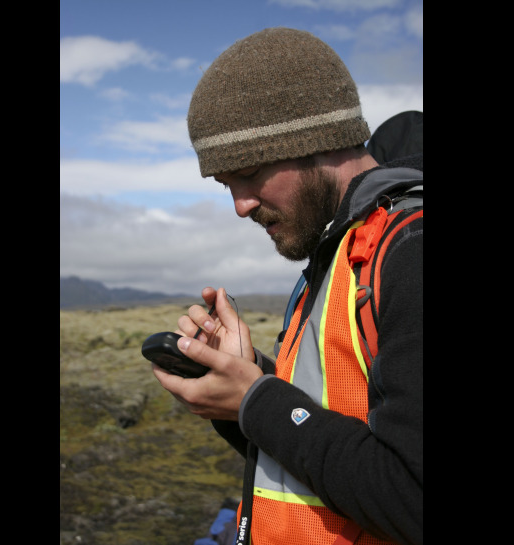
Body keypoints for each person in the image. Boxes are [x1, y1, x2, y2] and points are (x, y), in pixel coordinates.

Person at [152, 28, 423, 545]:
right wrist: (243, 385)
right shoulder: (338, 254)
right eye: (225, 184)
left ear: (313, 137)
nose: (240, 205)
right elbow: (327, 456)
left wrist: (258, 400)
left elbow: (412, 497)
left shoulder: (409, 251)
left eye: (249, 172)